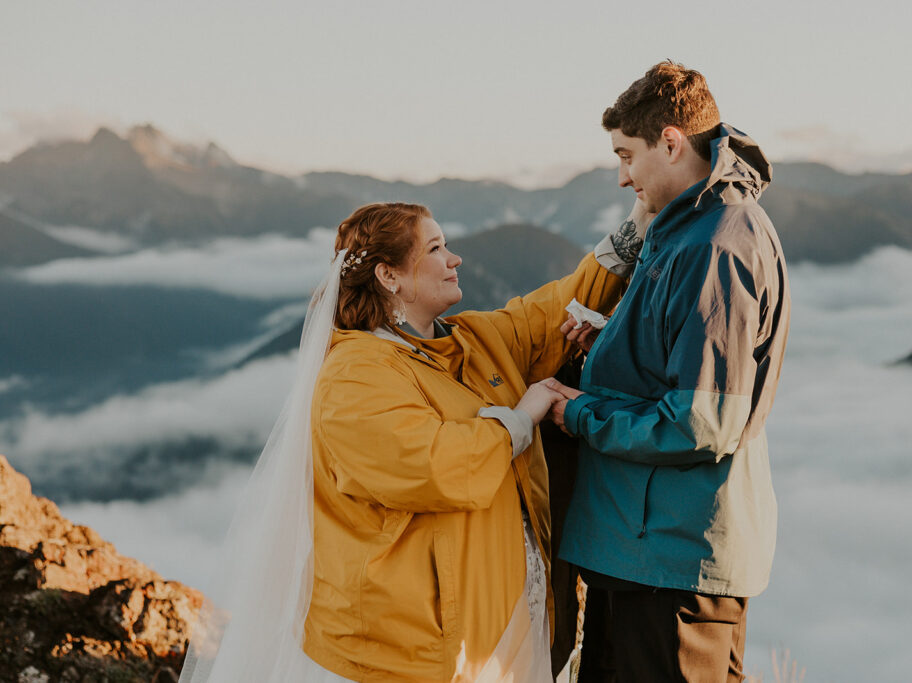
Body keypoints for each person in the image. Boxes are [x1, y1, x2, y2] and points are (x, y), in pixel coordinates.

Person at [180, 201, 645, 682]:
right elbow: (436, 465)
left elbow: (549, 312)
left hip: (492, 626)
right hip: (405, 649)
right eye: (436, 247)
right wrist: (521, 419)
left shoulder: (470, 341)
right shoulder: (353, 375)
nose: (455, 258)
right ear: (389, 276)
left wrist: (641, 218)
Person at [547, 61, 792, 682]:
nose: (621, 175)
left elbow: (700, 420)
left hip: (672, 566)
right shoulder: (685, 229)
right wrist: (612, 342)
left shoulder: (714, 245)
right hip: (645, 553)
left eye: (626, 154)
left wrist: (576, 412)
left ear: (673, 142)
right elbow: (679, 358)